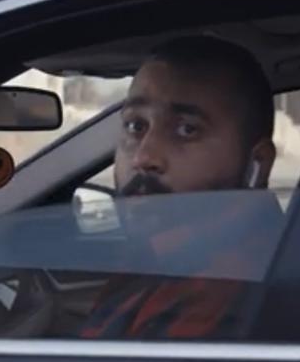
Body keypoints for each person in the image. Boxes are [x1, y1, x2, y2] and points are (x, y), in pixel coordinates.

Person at [77, 35, 281, 339]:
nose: (144, 158)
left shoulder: (226, 287)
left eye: (187, 130)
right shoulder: (167, 256)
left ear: (257, 164)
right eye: (135, 126)